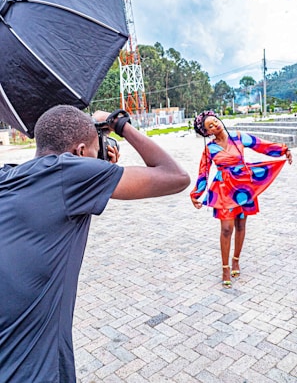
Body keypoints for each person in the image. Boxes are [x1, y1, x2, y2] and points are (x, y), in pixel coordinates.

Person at [0, 105, 190, 383]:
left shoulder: (7, 176)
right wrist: (120, 124)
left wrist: (98, 169)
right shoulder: (69, 173)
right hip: (33, 371)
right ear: (78, 153)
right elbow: (176, 177)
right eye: (92, 152)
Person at [190, 110, 292, 289]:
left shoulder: (239, 137)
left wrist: (283, 150)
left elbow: (261, 145)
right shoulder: (210, 149)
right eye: (210, 126)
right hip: (223, 190)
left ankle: (236, 260)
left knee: (241, 225)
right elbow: (203, 172)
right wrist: (196, 194)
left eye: (215, 121)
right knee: (226, 228)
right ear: (208, 133)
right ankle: (225, 268)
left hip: (243, 187)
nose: (215, 125)